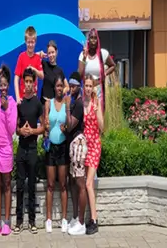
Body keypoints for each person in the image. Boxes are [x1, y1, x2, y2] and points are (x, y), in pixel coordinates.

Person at [14, 68, 44, 234]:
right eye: (25, 81)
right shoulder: (19, 104)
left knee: (31, 186)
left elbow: (43, 127)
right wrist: (21, 131)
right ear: (23, 83)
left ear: (34, 83)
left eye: (30, 82)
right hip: (21, 148)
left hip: (32, 149)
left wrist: (32, 131)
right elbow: (15, 127)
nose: (28, 84)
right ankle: (19, 222)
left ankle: (32, 221)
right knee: (19, 186)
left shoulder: (37, 104)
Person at [0, 64, 18, 236]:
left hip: (6, 148)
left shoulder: (12, 103)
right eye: (0, 85)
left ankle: (7, 222)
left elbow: (12, 128)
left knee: (7, 184)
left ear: (8, 86)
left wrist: (7, 108)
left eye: (5, 85)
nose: (3, 88)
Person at [44, 75, 69, 233]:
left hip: (63, 148)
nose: (59, 88)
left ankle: (64, 219)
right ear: (54, 87)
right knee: (51, 185)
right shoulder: (48, 103)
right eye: (57, 86)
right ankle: (48, 219)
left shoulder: (67, 102)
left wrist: (66, 128)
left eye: (61, 86)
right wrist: (46, 127)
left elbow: (70, 123)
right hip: (51, 148)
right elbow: (44, 124)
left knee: (63, 185)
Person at [66, 72, 87, 236]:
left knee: (80, 183)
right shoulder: (75, 102)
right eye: (70, 85)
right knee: (73, 181)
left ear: (78, 87)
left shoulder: (78, 104)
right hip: (72, 144)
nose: (71, 89)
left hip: (78, 144)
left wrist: (67, 107)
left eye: (73, 86)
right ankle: (75, 217)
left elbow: (70, 125)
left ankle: (81, 222)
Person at [83, 74, 104, 235]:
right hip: (84, 147)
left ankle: (94, 220)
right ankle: (84, 218)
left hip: (94, 145)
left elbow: (102, 127)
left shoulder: (96, 103)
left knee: (89, 183)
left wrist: (97, 112)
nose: (88, 88)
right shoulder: (81, 103)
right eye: (87, 85)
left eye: (91, 86)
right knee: (83, 182)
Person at [78, 28, 116, 111]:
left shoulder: (103, 53)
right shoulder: (83, 54)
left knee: (98, 113)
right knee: (88, 114)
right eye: (91, 38)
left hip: (99, 89)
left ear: (98, 40)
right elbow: (80, 75)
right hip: (87, 90)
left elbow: (113, 66)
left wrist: (105, 73)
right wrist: (84, 57)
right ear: (88, 40)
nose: (93, 40)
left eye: (95, 38)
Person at [15, 26, 43, 104]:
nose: (30, 45)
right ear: (25, 42)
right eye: (28, 42)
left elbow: (42, 76)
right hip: (22, 98)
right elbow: (16, 78)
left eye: (32, 42)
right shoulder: (21, 57)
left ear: (35, 42)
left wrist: (34, 69)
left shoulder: (37, 58)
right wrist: (17, 97)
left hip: (34, 98)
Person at [38, 40, 69, 104]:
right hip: (43, 103)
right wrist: (39, 53)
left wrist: (60, 93)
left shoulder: (59, 71)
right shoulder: (44, 64)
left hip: (53, 104)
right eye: (49, 53)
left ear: (56, 52)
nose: (51, 55)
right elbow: (32, 57)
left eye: (53, 52)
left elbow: (67, 87)